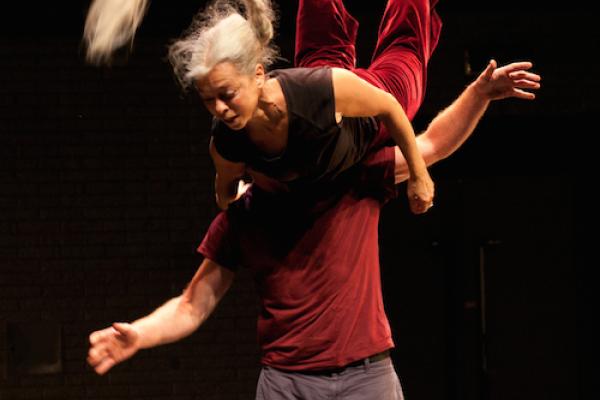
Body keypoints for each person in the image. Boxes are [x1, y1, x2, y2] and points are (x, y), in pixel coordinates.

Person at [86, 59, 542, 399]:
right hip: (287, 384)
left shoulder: (349, 179)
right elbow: (192, 304)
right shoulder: (244, 216)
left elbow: (432, 145)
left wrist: (480, 93)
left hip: (367, 378)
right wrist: (139, 334)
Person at [84, 0, 437, 215]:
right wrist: (239, 197)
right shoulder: (226, 143)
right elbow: (225, 194)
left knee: (406, 36)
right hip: (325, 82)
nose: (219, 109)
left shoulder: (313, 91)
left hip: (369, 113)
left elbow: (389, 107)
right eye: (209, 100)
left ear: (257, 75)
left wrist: (420, 176)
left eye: (227, 94)